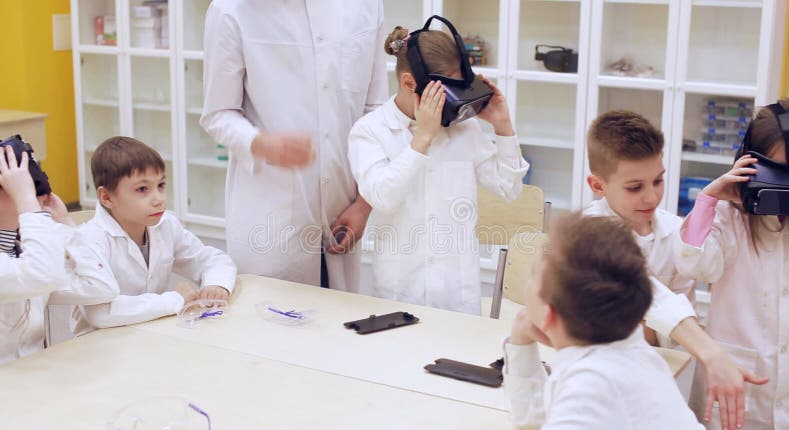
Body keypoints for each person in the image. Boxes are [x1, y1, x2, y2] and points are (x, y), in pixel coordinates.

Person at [583, 110, 765, 430]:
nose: (651, 196)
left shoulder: (673, 229)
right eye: (635, 187)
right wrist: (706, 349)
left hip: (668, 371)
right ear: (598, 185)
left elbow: (673, 311)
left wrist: (650, 328)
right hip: (604, 378)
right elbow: (648, 292)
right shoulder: (590, 231)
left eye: (658, 180)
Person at [200, 0, 388, 292]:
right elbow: (217, 113)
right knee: (271, 325)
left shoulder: (365, 6)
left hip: (345, 213)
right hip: (272, 220)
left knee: (338, 327)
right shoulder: (231, 10)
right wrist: (259, 144)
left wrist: (365, 204)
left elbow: (375, 111)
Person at [347, 25, 528, 314]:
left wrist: (502, 126)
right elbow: (382, 197)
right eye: (446, 92)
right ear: (409, 84)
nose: (455, 101)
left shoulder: (464, 129)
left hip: (458, 297)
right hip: (399, 295)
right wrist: (422, 140)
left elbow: (509, 188)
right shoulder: (369, 131)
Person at [503, 212, 715, 430]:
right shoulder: (630, 354)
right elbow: (537, 417)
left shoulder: (593, 382)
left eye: (533, 276)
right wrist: (521, 338)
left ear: (549, 315)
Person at [675, 98, 789, 430]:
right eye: (777, 174)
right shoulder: (731, 220)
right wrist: (709, 200)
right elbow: (693, 264)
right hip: (735, 392)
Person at [67, 137, 237, 335]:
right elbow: (102, 312)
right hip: (99, 348)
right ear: (106, 197)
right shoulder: (89, 240)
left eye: (161, 185)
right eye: (142, 189)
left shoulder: (165, 225)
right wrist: (176, 299)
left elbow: (212, 259)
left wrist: (216, 284)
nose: (159, 199)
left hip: (149, 335)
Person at [0, 144, 110, 363]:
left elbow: (101, 287)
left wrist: (67, 227)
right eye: (18, 186)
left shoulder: (26, 248)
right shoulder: (36, 260)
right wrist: (28, 203)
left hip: (31, 380)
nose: (36, 195)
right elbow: (41, 275)